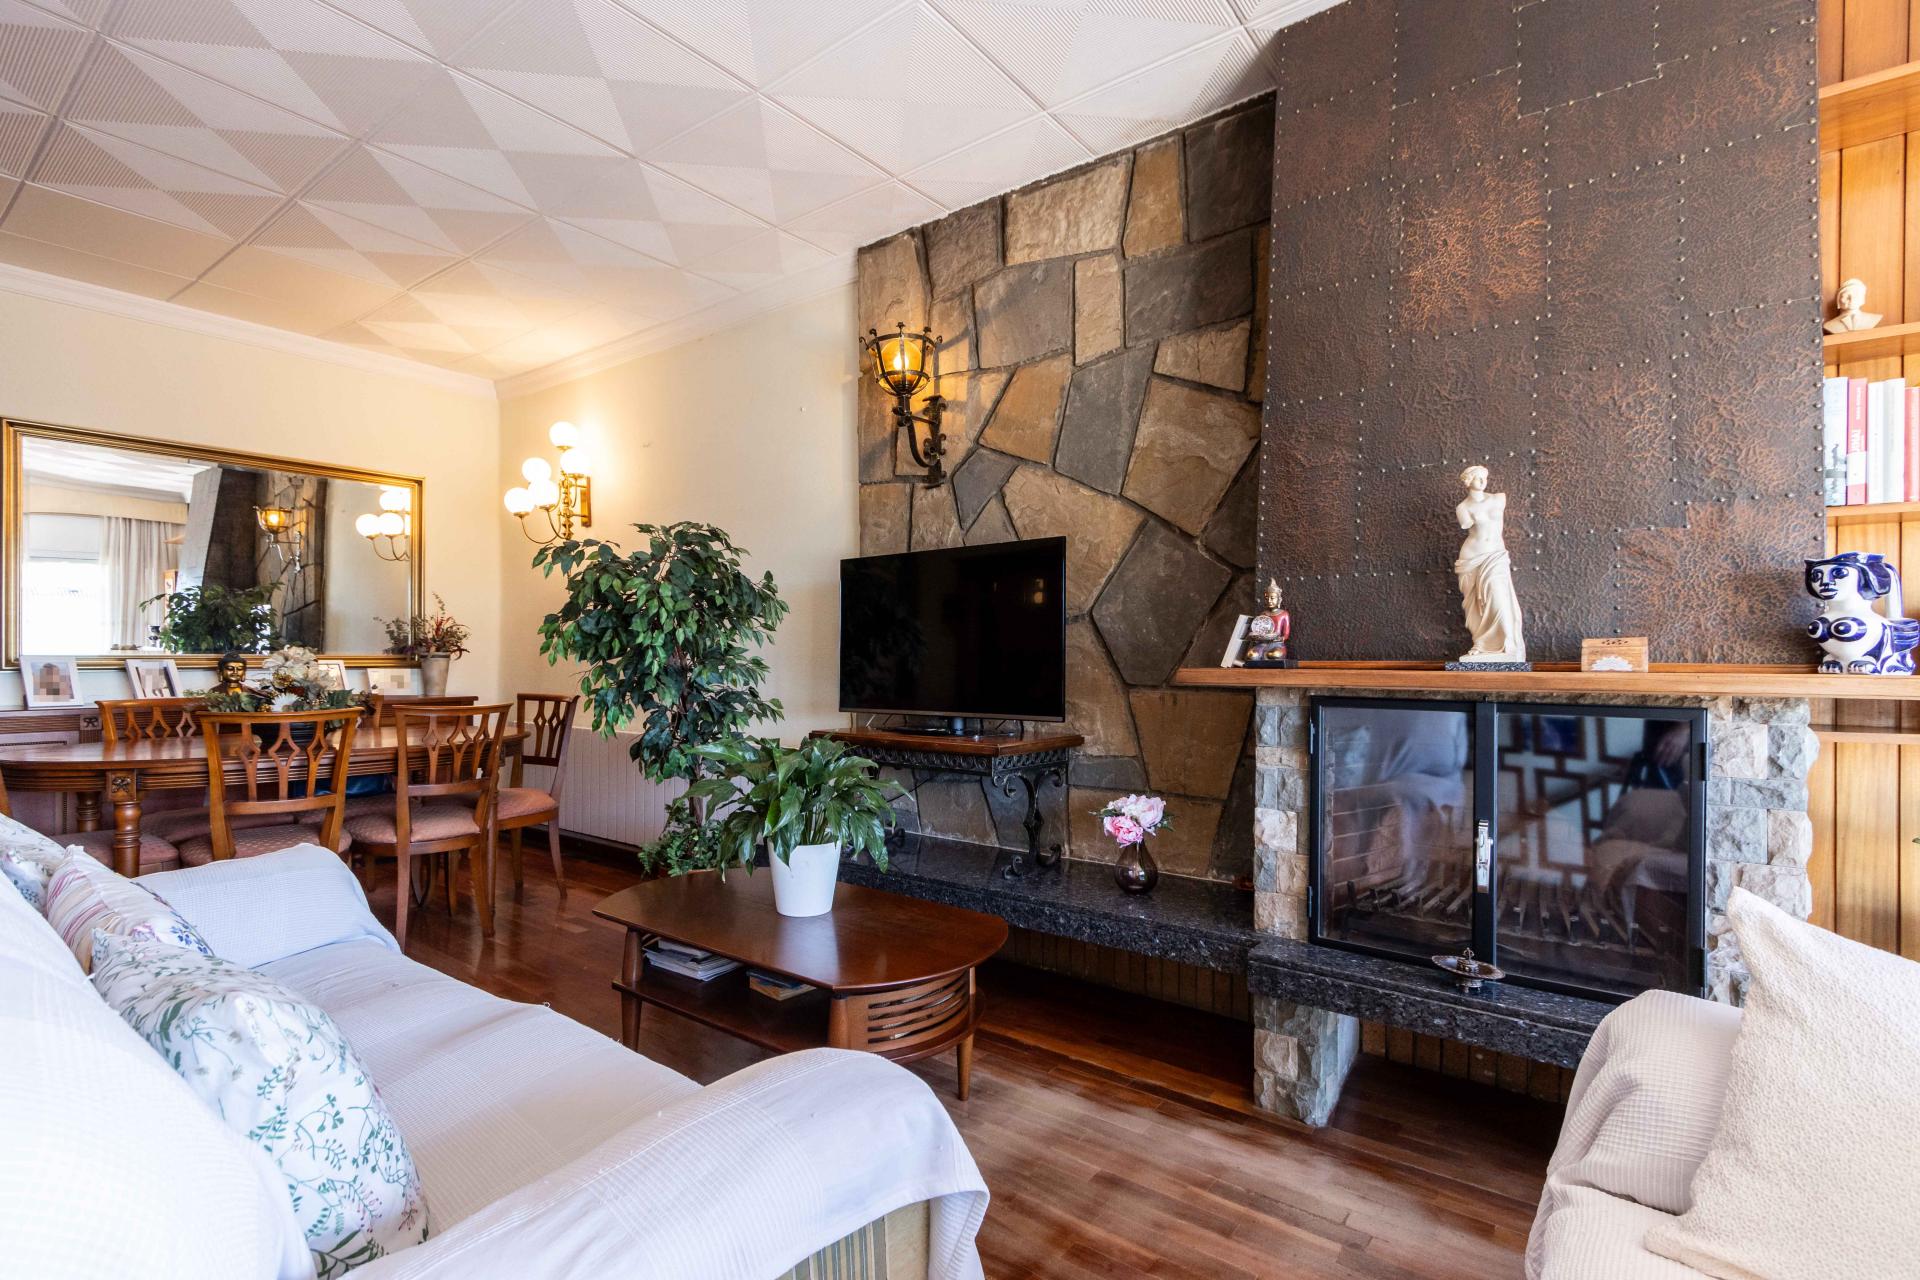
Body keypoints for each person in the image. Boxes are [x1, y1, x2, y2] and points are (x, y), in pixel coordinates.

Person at [1453, 465, 1526, 664]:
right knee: (1475, 606)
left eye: (1484, 477)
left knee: (1498, 596)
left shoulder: (1498, 498)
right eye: (1477, 477)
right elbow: (1466, 525)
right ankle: (1482, 644)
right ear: (1468, 481)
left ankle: (1508, 641)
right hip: (1471, 558)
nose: (1482, 481)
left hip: (1494, 556)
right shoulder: (1463, 508)